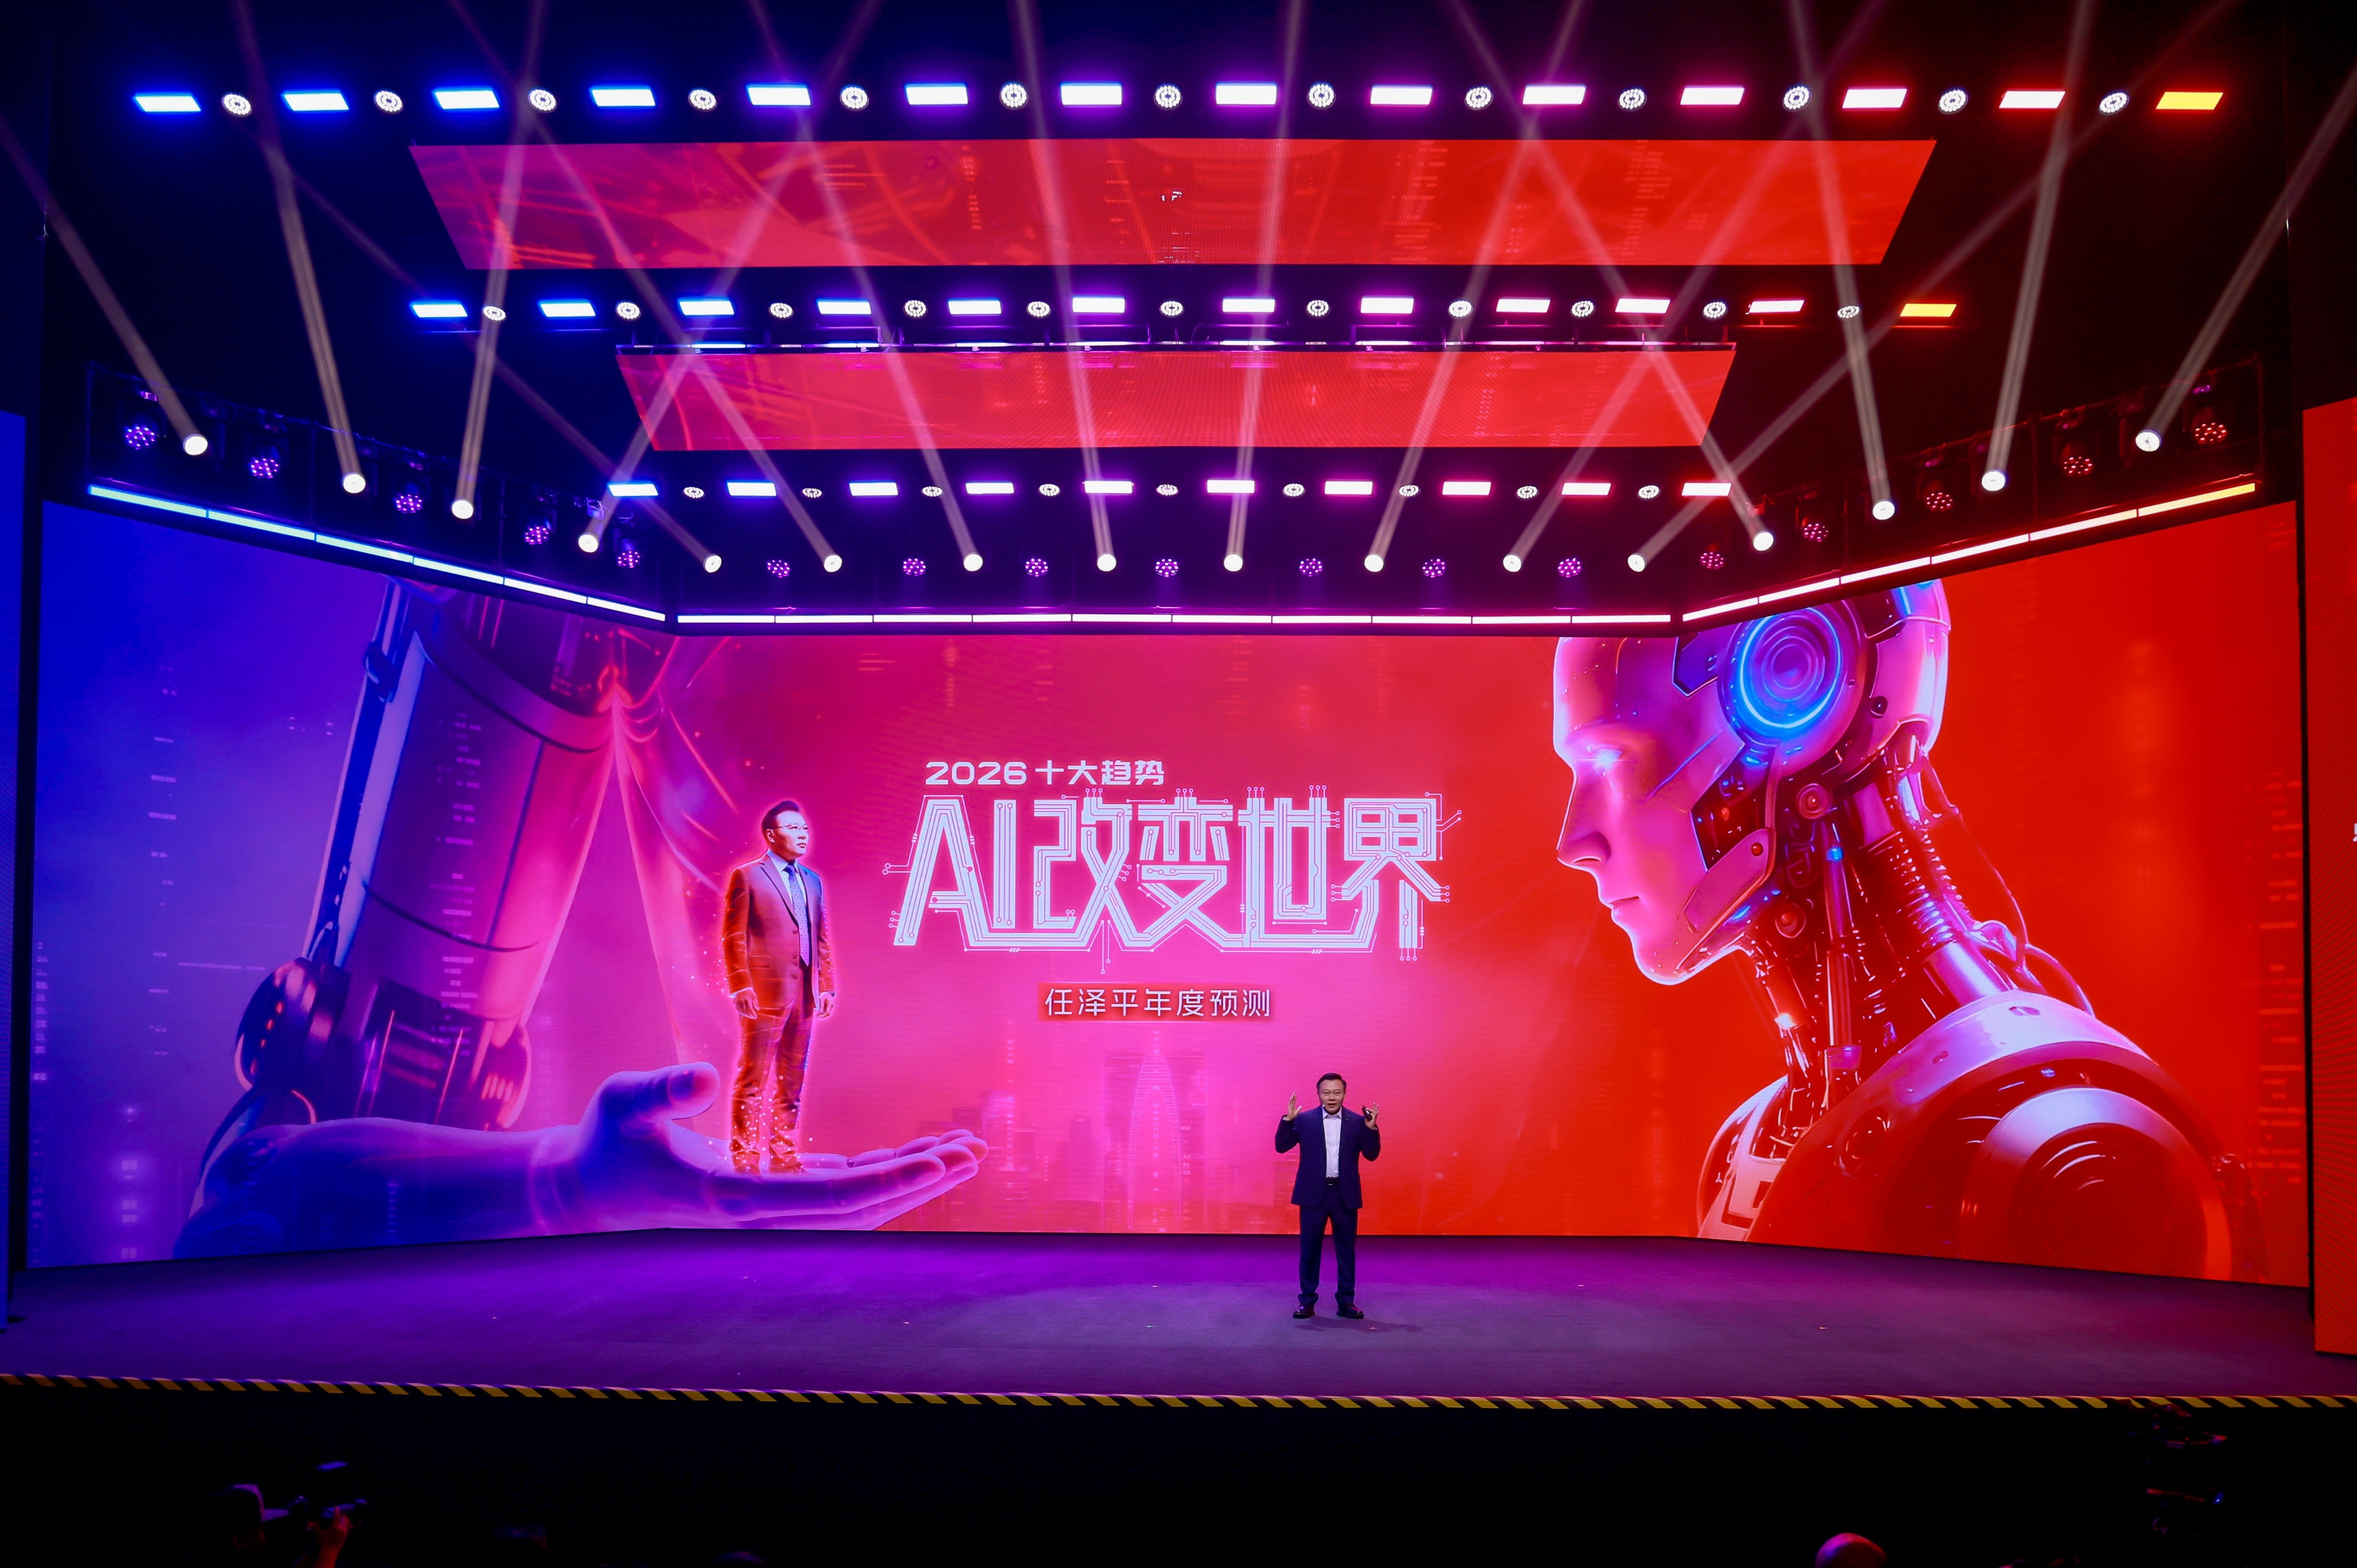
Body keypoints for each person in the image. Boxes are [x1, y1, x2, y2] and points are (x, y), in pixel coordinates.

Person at [722, 801, 838, 1175]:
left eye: (805, 828)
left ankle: (785, 1157)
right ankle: (745, 1157)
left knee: (793, 1080)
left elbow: (821, 937)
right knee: (753, 1077)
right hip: (763, 991)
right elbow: (734, 935)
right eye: (793, 828)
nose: (803, 834)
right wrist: (741, 984)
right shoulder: (747, 875)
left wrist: (826, 986)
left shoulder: (813, 881)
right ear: (771, 835)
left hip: (805, 991)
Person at [1276, 1073, 1380, 1317]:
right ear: (1319, 1095)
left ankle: (1346, 1302)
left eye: (1336, 1092)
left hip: (1345, 1195)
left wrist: (1371, 1129)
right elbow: (1281, 1146)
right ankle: (1307, 1301)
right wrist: (1288, 1120)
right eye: (1326, 1093)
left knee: (1346, 1251)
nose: (1331, 1097)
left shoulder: (1358, 1122)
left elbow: (1372, 1154)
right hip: (1313, 1195)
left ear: (1344, 1094)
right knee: (1310, 1250)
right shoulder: (1304, 1120)